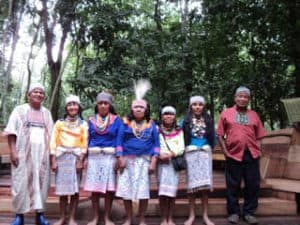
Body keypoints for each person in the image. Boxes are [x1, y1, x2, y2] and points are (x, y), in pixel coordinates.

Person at [3, 83, 53, 225]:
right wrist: (12, 151)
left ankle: (40, 215)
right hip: (23, 154)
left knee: (42, 184)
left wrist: (51, 156)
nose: (38, 94)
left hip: (42, 156)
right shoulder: (19, 110)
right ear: (28, 94)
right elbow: (11, 132)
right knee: (20, 183)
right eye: (35, 92)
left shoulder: (47, 113)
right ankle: (19, 215)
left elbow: (52, 134)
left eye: (41, 92)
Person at [217, 86, 265, 224]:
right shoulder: (226, 113)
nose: (242, 99)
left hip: (252, 155)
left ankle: (249, 212)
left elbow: (260, 135)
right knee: (233, 184)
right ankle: (234, 213)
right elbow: (220, 134)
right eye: (240, 96)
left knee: (253, 184)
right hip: (233, 154)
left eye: (245, 97)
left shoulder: (254, 115)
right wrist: (225, 152)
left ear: (248, 99)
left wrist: (258, 150)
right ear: (235, 98)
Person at [116, 98, 160, 225]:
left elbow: (156, 145)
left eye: (141, 107)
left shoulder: (151, 125)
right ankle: (129, 218)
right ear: (132, 109)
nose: (139, 109)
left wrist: (153, 161)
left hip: (144, 162)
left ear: (146, 110)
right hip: (127, 162)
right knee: (126, 191)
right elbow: (119, 142)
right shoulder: (124, 124)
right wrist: (120, 158)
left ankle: (141, 219)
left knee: (143, 192)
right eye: (136, 107)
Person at [84, 91, 122, 225]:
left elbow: (119, 139)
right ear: (97, 105)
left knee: (109, 190)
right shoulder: (90, 120)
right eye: (100, 103)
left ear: (110, 105)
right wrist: (85, 158)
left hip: (109, 158)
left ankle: (107, 218)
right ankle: (95, 218)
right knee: (95, 189)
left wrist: (119, 157)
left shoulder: (117, 120)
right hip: (94, 158)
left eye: (106, 103)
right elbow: (87, 139)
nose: (103, 105)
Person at [50, 95, 88, 225]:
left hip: (76, 158)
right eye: (70, 104)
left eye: (75, 104)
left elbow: (85, 142)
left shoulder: (83, 124)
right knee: (62, 191)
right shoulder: (59, 123)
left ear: (79, 107)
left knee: (75, 190)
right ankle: (62, 218)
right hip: (62, 158)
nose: (72, 107)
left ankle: (72, 218)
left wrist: (81, 160)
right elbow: (53, 141)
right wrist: (53, 160)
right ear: (66, 108)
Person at [182, 96, 215, 225]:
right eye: (194, 104)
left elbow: (213, 138)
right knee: (192, 187)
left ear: (203, 106)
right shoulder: (185, 121)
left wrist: (207, 148)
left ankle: (206, 216)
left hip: (205, 154)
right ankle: (191, 216)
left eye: (200, 104)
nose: (197, 107)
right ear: (191, 106)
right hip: (191, 154)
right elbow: (180, 137)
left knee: (205, 188)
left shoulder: (208, 120)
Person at [157, 105, 185, 225]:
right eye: (166, 114)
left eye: (171, 114)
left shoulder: (179, 131)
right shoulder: (156, 130)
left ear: (175, 117)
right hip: (161, 165)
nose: (168, 116)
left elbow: (182, 148)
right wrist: (159, 155)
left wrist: (170, 154)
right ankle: (163, 219)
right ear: (162, 116)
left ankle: (170, 218)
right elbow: (153, 145)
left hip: (173, 165)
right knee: (162, 193)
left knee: (172, 193)